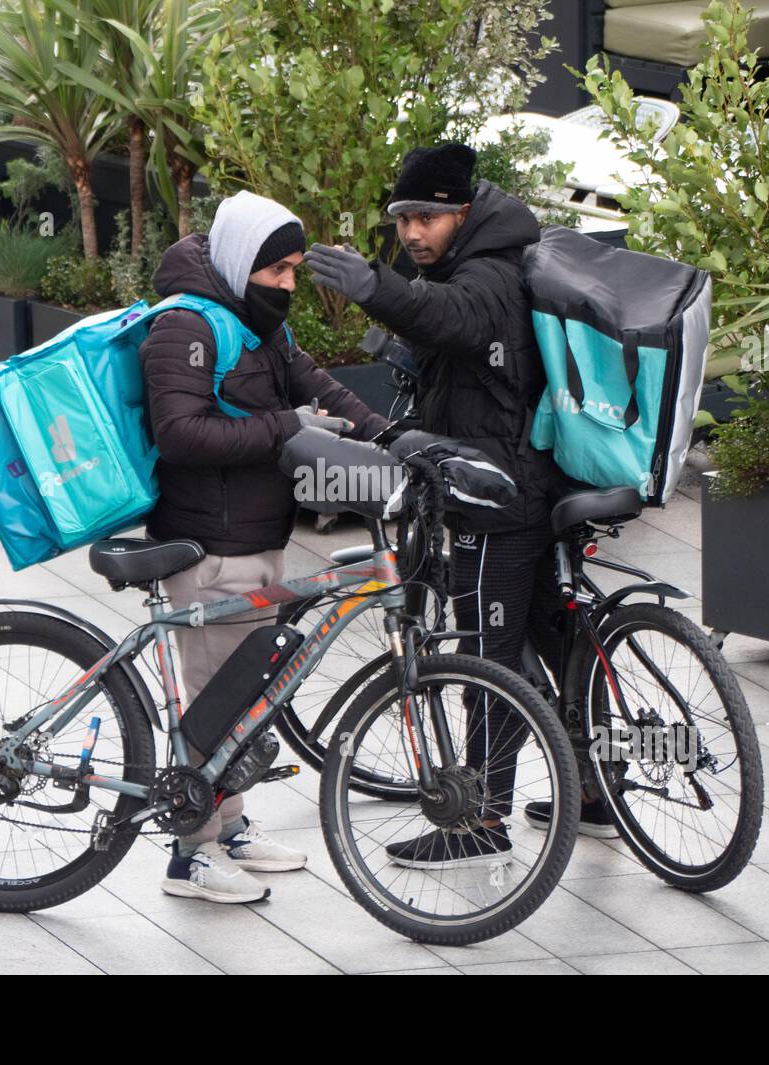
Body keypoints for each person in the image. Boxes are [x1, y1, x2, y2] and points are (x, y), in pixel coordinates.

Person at [305, 143, 619, 868]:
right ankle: (599, 786)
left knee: (487, 657)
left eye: (428, 217)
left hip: (496, 496)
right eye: (403, 219)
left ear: (464, 211)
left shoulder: (490, 273)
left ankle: (480, 819)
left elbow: (451, 318)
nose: (414, 233)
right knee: (556, 640)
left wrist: (372, 285)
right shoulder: (492, 254)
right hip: (533, 484)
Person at [139, 190, 389, 902]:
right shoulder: (185, 326)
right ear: (241, 261)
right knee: (214, 704)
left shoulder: (258, 328)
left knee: (240, 702)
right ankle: (191, 854)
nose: (287, 283)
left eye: (295, 269)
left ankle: (231, 826)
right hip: (207, 547)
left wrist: (399, 441)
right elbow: (180, 434)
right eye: (276, 269)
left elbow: (324, 391)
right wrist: (286, 426)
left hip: (256, 540)